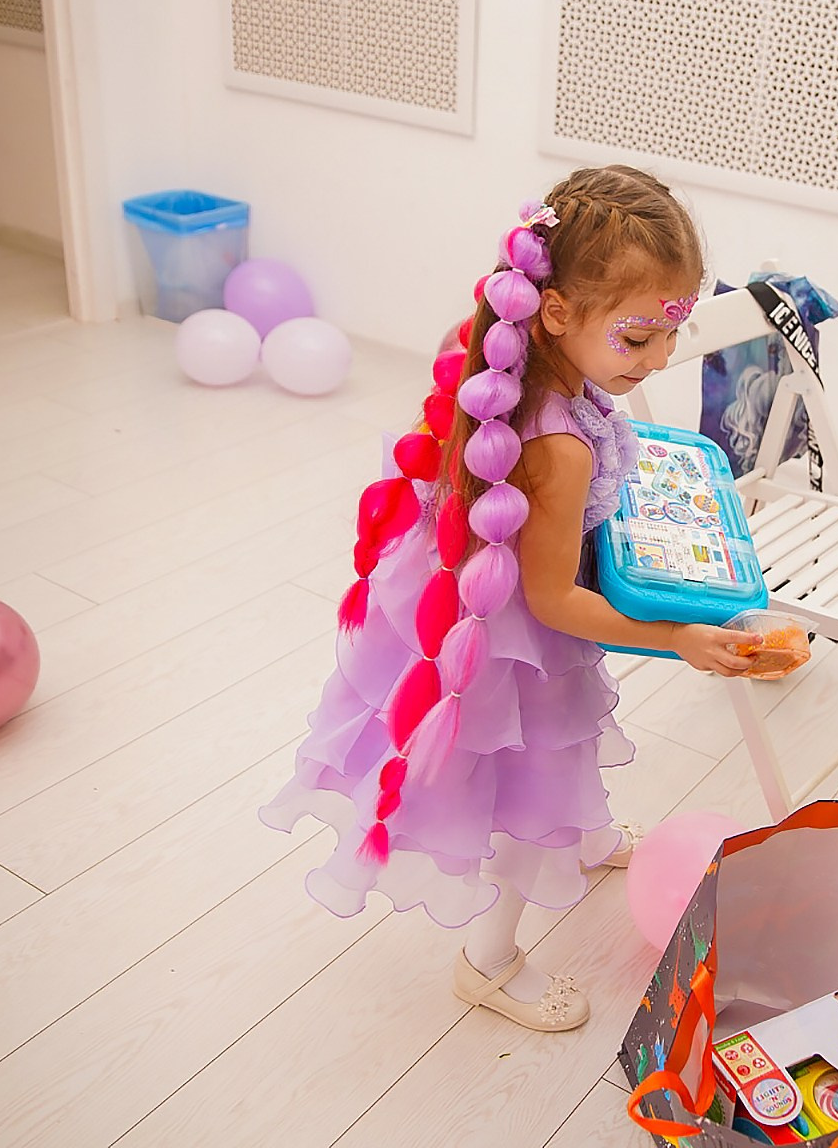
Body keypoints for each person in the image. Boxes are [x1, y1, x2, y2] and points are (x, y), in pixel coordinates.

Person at [262, 166, 759, 1032]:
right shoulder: (556, 444)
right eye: (639, 338)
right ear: (559, 311)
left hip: (483, 600)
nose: (660, 360)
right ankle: (489, 961)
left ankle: (594, 839)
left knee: (562, 770)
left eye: (673, 331)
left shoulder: (523, 358)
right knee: (535, 793)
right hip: (507, 645)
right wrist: (679, 634)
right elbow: (557, 600)